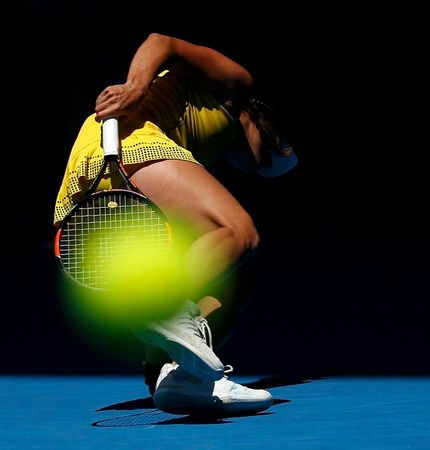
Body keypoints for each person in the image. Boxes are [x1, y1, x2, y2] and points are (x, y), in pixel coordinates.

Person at [54, 33, 297, 415]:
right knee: (236, 231)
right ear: (265, 122)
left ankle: (176, 377)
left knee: (230, 280)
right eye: (268, 155)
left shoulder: (200, 147)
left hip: (105, 168)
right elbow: (162, 42)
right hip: (127, 139)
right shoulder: (236, 86)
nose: (257, 165)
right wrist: (135, 88)